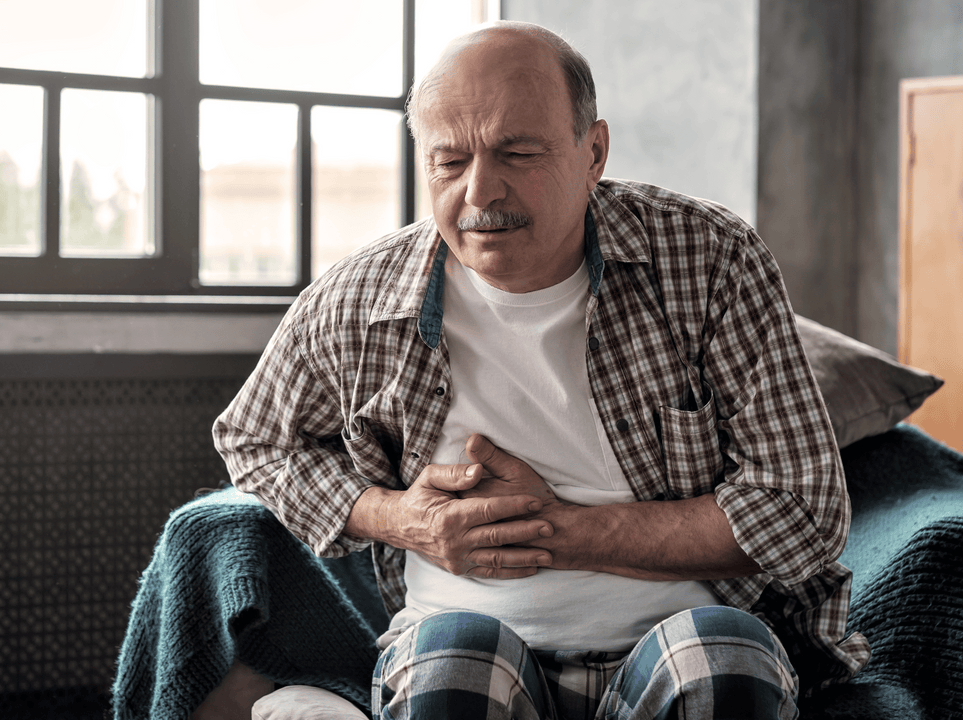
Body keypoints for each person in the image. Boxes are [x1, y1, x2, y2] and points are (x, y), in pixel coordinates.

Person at [213, 20, 870, 720]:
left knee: (727, 667)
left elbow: (804, 508)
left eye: (517, 152)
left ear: (594, 152)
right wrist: (399, 517)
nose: (480, 193)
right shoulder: (360, 296)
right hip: (459, 637)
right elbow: (253, 440)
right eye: (448, 161)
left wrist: (556, 529)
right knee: (453, 672)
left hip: (680, 630)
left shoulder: (710, 260)